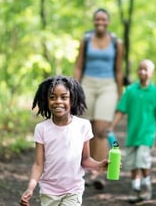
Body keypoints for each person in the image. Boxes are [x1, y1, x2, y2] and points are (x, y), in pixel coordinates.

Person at [19, 75, 109, 206]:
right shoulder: (42, 128)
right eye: (52, 97)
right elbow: (38, 164)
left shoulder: (83, 126)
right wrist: (30, 187)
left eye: (64, 97)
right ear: (46, 100)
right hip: (49, 191)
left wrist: (99, 165)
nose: (58, 101)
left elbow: (84, 160)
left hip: (73, 190)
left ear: (72, 99)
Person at [73, 8, 124, 189]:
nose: (100, 22)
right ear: (94, 21)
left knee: (102, 130)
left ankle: (99, 173)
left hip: (108, 86)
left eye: (104, 19)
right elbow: (78, 66)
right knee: (88, 130)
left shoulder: (116, 42)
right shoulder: (86, 40)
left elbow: (119, 70)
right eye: (97, 19)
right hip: (87, 84)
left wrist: (120, 94)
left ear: (108, 22)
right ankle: (87, 168)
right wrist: (75, 88)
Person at [108, 59, 156, 203]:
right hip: (133, 134)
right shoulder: (131, 91)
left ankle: (146, 186)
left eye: (146, 69)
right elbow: (121, 110)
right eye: (140, 69)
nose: (142, 72)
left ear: (152, 73)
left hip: (147, 134)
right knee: (132, 163)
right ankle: (135, 187)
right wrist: (112, 125)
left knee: (143, 161)